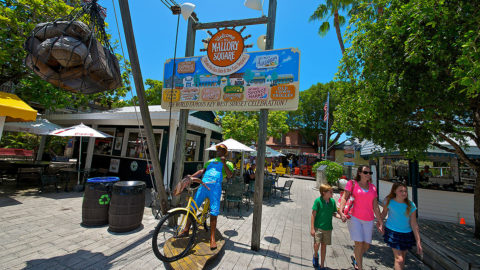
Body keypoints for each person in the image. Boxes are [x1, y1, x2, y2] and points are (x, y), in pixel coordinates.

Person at [177, 143, 234, 250]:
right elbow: (201, 171)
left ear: (225, 152)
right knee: (192, 207)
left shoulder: (228, 163)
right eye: (218, 149)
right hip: (203, 185)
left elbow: (230, 175)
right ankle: (185, 230)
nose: (218, 151)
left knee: (214, 212)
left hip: (215, 188)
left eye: (221, 149)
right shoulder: (210, 161)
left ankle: (212, 238)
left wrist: (224, 164)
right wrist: (191, 177)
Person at [339, 165, 383, 270]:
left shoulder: (373, 187)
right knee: (358, 243)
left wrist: (380, 221)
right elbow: (345, 197)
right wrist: (341, 212)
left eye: (369, 173)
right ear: (359, 173)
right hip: (354, 218)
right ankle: (360, 267)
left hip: (369, 219)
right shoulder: (352, 184)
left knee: (366, 246)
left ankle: (355, 256)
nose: (368, 174)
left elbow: (376, 206)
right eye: (365, 172)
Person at [380, 183, 422, 270]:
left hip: (406, 234)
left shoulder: (411, 205)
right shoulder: (389, 202)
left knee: (402, 258)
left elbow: (414, 224)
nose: (404, 193)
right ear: (395, 191)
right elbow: (384, 213)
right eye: (401, 191)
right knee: (399, 259)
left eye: (405, 191)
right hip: (393, 232)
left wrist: (418, 241)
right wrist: (380, 223)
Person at [311, 184, 342, 270]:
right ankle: (316, 255)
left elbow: (334, 213)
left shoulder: (332, 202)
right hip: (318, 227)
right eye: (330, 192)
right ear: (324, 193)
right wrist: (312, 228)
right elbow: (313, 215)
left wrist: (341, 217)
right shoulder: (318, 201)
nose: (332, 194)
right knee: (317, 244)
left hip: (328, 228)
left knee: (324, 246)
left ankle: (322, 266)